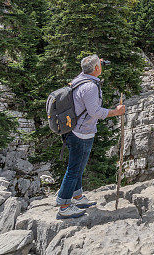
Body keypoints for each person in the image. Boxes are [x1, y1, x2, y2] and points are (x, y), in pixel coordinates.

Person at [55, 54, 126, 219]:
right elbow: (95, 112)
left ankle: (77, 196)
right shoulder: (90, 87)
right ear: (95, 69)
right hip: (81, 133)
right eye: (99, 65)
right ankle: (64, 205)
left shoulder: (80, 79)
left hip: (77, 130)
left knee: (79, 166)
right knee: (74, 169)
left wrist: (95, 63)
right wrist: (116, 112)